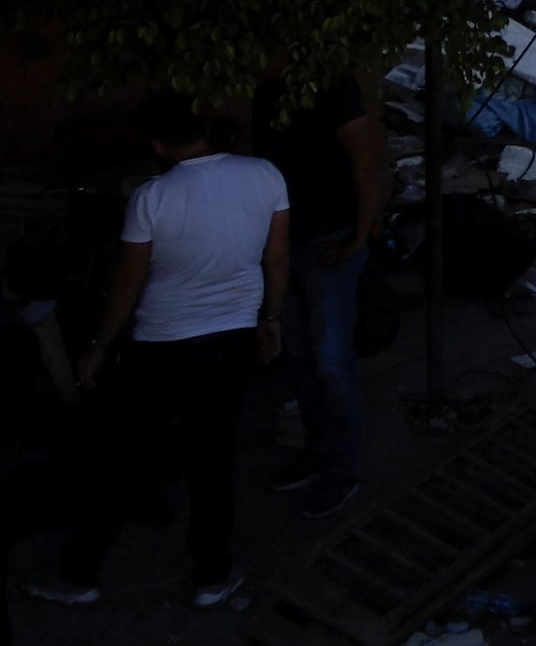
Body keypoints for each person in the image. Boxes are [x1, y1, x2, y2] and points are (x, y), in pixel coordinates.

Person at [37, 100, 293, 614]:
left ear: (156, 145)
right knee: (214, 460)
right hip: (231, 339)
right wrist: (271, 317)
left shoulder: (151, 196)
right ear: (203, 131)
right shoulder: (264, 175)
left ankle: (80, 575)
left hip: (161, 344)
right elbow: (277, 254)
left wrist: (101, 346)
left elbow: (129, 280)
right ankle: (211, 577)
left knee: (124, 457)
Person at [258, 78, 389, 519]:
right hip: (287, 242)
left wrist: (360, 233)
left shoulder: (334, 89)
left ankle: (340, 468)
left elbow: (367, 160)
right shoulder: (268, 90)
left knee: (331, 360)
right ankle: (318, 453)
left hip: (330, 240)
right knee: (300, 355)